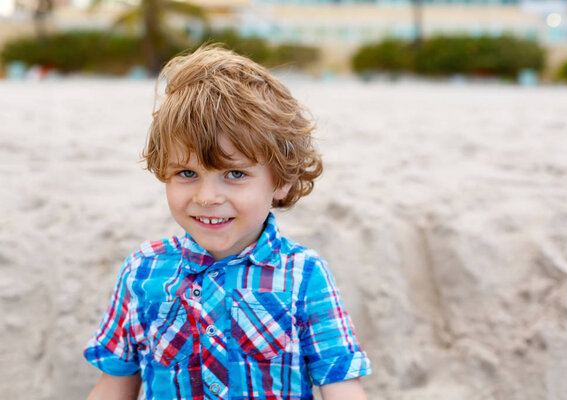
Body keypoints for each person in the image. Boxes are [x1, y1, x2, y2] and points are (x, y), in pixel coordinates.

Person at [84, 45, 371, 400]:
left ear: (280, 180)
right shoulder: (143, 271)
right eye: (187, 173)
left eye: (235, 173)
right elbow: (115, 383)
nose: (207, 197)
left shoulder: (304, 275)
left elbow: (341, 384)